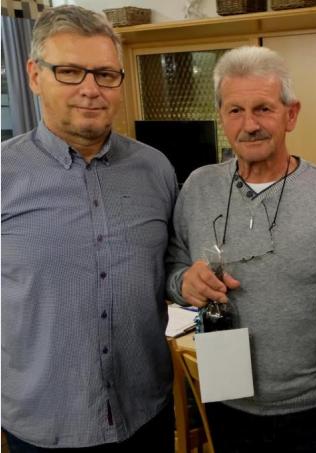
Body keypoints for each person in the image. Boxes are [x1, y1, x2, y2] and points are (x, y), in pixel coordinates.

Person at [1, 5, 177, 451]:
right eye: (70, 72)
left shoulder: (156, 170)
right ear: (34, 75)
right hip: (44, 425)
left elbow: (172, 267)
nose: (90, 90)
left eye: (104, 74)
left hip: (145, 418)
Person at [165, 46, 316, 452]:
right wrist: (184, 282)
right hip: (226, 400)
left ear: (291, 113)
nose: (249, 125)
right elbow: (173, 267)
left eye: (263, 109)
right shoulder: (197, 187)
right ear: (221, 116)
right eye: (235, 111)